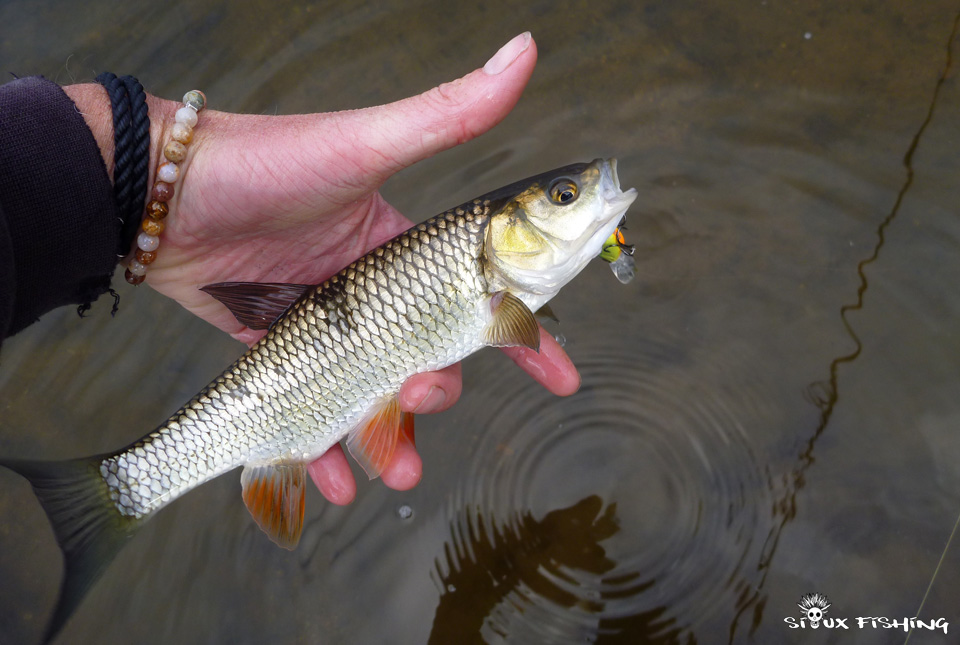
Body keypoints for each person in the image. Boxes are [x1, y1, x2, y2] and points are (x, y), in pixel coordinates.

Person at [0, 33, 580, 504]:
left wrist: (151, 173)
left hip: (307, 343)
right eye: (564, 196)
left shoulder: (499, 288)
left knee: (397, 410)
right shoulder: (498, 288)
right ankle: (125, 490)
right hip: (308, 346)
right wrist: (146, 171)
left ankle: (132, 488)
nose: (583, 196)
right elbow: (512, 321)